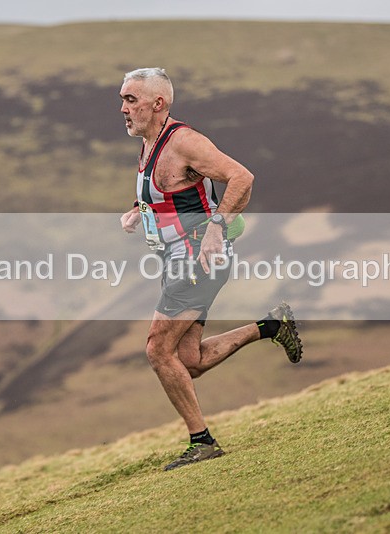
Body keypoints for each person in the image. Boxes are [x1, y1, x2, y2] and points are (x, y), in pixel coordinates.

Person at [119, 67, 302, 471]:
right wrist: (138, 211)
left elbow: (242, 177)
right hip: (177, 260)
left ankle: (201, 442)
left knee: (157, 349)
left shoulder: (184, 142)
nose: (123, 108)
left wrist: (217, 227)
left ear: (158, 103)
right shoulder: (149, 142)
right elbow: (172, 192)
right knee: (190, 361)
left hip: (197, 258)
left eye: (131, 99)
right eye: (123, 99)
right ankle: (272, 327)